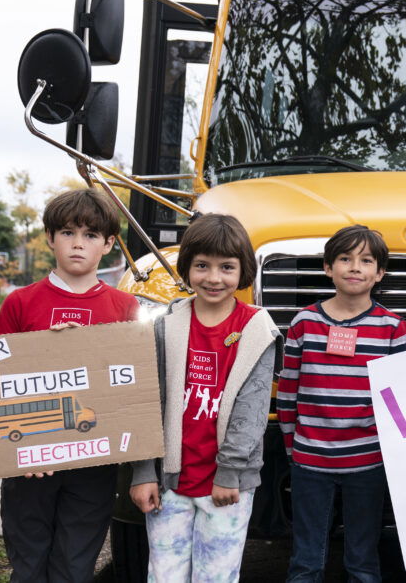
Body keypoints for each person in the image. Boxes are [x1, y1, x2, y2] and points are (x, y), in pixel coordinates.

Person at [0, 188, 139, 582]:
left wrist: (90, 351)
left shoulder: (124, 307)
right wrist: (41, 352)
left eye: (91, 235)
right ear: (50, 237)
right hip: (30, 464)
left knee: (75, 566)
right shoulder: (21, 302)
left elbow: (130, 380)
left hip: (92, 458)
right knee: (28, 565)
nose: (78, 243)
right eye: (68, 232)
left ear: (108, 244)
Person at [129, 213, 281, 582]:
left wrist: (230, 473)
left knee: (216, 576)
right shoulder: (166, 325)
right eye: (202, 266)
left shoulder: (257, 329)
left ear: (243, 270)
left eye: (226, 267)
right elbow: (148, 400)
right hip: (170, 484)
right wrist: (143, 471)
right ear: (187, 268)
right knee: (164, 574)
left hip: (226, 485)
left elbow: (253, 411)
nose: (214, 278)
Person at [277, 225, 406, 582]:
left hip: (367, 462)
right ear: (327, 267)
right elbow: (289, 390)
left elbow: (400, 400)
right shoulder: (304, 323)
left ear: (379, 273)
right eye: (345, 258)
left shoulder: (392, 328)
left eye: (366, 260)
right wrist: (294, 448)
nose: (355, 267)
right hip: (310, 461)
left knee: (363, 560)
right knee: (306, 560)